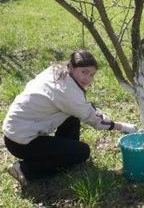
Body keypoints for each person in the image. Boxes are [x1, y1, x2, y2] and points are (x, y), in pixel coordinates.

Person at [2, 50, 137, 186]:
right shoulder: (67, 91)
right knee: (83, 152)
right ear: (72, 67)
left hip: (15, 131)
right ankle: (25, 170)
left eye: (92, 74)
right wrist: (123, 127)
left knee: (72, 117)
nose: (88, 79)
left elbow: (82, 108)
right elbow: (94, 118)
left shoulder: (55, 70)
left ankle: (66, 153)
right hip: (21, 142)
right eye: (84, 72)